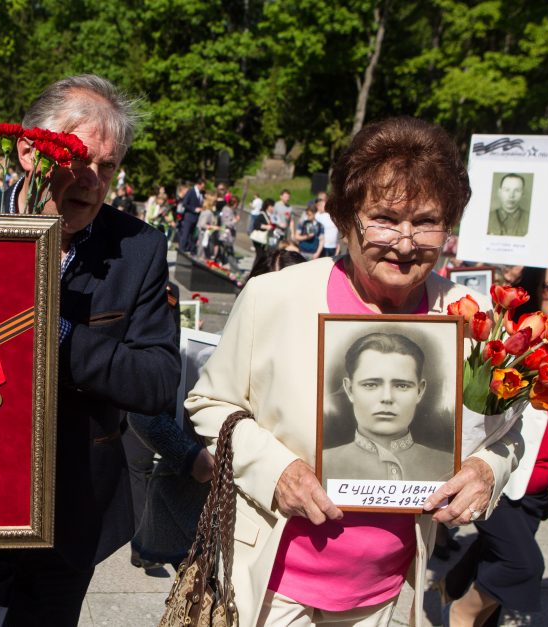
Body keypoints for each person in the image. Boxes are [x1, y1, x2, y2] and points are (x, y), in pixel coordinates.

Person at [185, 117, 523, 627]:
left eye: (427, 222)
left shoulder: (470, 313)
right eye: (385, 218)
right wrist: (278, 470)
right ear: (347, 219)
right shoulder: (274, 297)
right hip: (273, 583)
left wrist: (485, 472)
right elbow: (210, 405)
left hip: (385, 590)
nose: (405, 243)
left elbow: (509, 434)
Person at [0, 74, 179, 627]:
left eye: (109, 167)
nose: (93, 182)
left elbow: (158, 380)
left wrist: (58, 333)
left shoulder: (138, 249)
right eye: (79, 158)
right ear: (28, 150)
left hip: (73, 513)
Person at [440, 251, 548, 627]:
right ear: (537, 289)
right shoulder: (516, 344)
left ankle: (458, 588)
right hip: (504, 480)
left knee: (494, 565)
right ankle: (461, 612)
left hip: (543, 490)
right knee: (523, 565)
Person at [322, 333, 454, 482]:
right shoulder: (321, 465)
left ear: (419, 391)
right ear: (349, 390)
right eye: (371, 385)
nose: (387, 398)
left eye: (401, 385)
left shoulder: (450, 466)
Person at [486, 173, 529, 237]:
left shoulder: (530, 219)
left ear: (523, 194)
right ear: (499, 192)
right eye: (507, 190)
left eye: (517, 190)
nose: (511, 195)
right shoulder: (487, 217)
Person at [178, 179, 204, 254]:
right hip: (189, 217)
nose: (203, 188)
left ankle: (189, 248)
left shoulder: (200, 193)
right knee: (185, 234)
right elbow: (184, 203)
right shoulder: (191, 191)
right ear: (199, 184)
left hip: (195, 217)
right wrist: (194, 209)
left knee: (191, 235)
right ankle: (181, 250)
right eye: (202, 186)